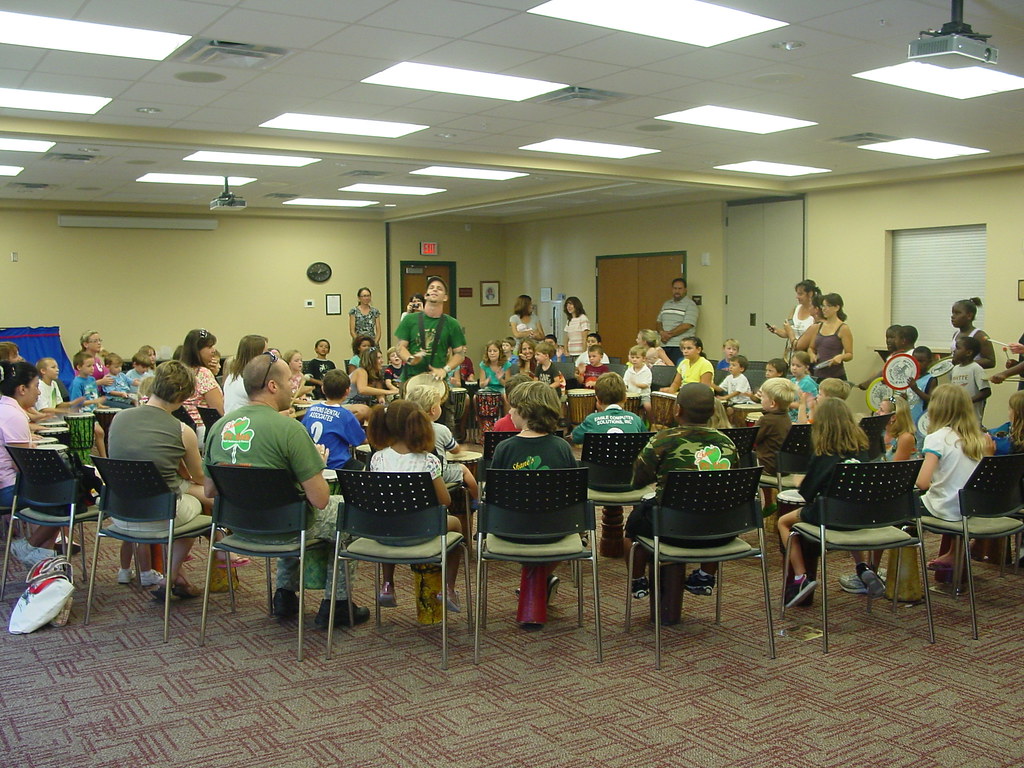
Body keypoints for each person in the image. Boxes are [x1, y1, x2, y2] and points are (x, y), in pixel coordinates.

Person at [204, 353, 369, 629]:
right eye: (289, 381)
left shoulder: (219, 427)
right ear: (272, 386)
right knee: (347, 511)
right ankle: (337, 604)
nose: (294, 386)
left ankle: (284, 595)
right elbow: (320, 500)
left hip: (238, 527)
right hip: (286, 528)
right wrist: (318, 465)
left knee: (287, 507)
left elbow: (210, 490)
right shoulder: (290, 430)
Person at [107, 360, 214, 599]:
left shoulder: (119, 418)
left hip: (118, 512)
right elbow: (199, 476)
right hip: (158, 516)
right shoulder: (182, 430)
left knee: (178, 501)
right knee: (197, 508)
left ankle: (179, 578)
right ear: (184, 395)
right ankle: (171, 577)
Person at [625, 383, 737, 600]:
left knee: (633, 529)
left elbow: (637, 480)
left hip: (668, 528)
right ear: (713, 411)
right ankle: (705, 576)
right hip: (719, 531)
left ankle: (637, 579)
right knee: (714, 506)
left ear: (677, 410)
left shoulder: (663, 440)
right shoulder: (727, 443)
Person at [490, 381, 577, 629]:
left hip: (510, 529)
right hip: (556, 529)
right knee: (549, 533)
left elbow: (493, 496)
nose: (510, 412)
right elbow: (573, 494)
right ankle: (541, 580)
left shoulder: (504, 448)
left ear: (525, 411)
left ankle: (533, 585)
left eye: (513, 407)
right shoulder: (562, 447)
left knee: (529, 527)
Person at [365, 399, 462, 612]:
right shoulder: (429, 461)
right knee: (456, 525)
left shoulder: (377, 459)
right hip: (422, 532)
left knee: (391, 518)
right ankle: (448, 588)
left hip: (385, 533)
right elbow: (445, 501)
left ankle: (388, 584)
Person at [776, 397, 873, 605]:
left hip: (829, 516)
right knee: (847, 510)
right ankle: (862, 567)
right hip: (861, 516)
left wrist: (800, 480)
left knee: (783, 522)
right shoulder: (862, 450)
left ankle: (801, 577)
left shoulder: (823, 454)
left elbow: (807, 494)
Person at [916, 384, 994, 572]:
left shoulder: (936, 438)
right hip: (971, 508)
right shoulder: (979, 438)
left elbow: (922, 483)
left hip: (945, 509)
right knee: (953, 491)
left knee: (898, 507)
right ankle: (954, 552)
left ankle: (882, 568)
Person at [3, 361, 62, 567]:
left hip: (7, 482)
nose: (38, 392)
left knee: (63, 490)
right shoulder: (14, 415)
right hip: (8, 487)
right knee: (68, 495)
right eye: (36, 386)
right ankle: (30, 546)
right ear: (22, 389)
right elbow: (23, 465)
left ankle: (42, 554)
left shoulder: (5, 408)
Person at [404, 373, 480, 512]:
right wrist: (461, 448)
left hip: (411, 471)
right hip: (439, 473)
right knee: (464, 470)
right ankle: (477, 499)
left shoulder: (404, 428)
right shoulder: (441, 429)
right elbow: (454, 450)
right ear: (433, 410)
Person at [395, 276, 467, 382]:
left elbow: (460, 354)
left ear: (445, 297)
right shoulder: (409, 319)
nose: (435, 290)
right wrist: (410, 359)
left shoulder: (452, 324)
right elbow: (400, 347)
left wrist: (445, 370)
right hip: (411, 379)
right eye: (431, 287)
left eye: (439, 288)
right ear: (426, 295)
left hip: (437, 380)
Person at [301, 369, 366, 470]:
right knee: (363, 467)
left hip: (312, 462)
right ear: (348, 391)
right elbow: (361, 440)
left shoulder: (311, 409)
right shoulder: (345, 415)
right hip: (336, 464)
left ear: (323, 389)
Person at [571, 372, 644, 443]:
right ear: (625, 399)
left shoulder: (591, 419)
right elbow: (646, 440)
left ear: (598, 400)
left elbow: (574, 437)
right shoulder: (636, 419)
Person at [180, 328, 224, 429]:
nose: (213, 350)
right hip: (204, 429)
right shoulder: (203, 373)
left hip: (185, 428)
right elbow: (219, 411)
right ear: (197, 350)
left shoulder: (181, 371)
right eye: (209, 347)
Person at [802, 293, 853, 381]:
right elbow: (811, 348)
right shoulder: (819, 326)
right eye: (823, 306)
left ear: (837, 307)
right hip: (818, 374)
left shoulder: (843, 328)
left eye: (828, 306)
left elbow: (849, 354)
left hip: (835, 376)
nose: (824, 309)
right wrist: (812, 354)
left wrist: (840, 357)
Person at [346, 347, 399, 423]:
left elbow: (379, 392)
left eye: (381, 357)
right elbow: (362, 389)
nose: (382, 361)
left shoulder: (377, 374)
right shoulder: (361, 371)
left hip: (365, 405)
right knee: (366, 412)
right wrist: (389, 392)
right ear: (370, 360)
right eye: (378, 358)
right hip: (348, 403)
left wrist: (381, 399)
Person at [767, 279, 821, 351]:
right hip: (792, 352)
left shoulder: (816, 313)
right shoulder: (795, 309)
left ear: (810, 294)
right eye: (797, 294)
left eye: (800, 294)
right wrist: (777, 331)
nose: (797, 297)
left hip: (806, 352)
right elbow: (788, 332)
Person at [223, 335, 269, 414]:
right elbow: (264, 412)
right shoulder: (251, 381)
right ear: (256, 355)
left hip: (232, 419)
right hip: (245, 420)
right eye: (265, 353)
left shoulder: (232, 376)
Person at [656, 278, 699, 364]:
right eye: (675, 288)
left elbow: (687, 325)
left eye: (680, 289)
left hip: (680, 346)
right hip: (664, 345)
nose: (677, 291)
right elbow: (658, 322)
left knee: (678, 369)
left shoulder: (691, 305)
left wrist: (668, 335)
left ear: (685, 290)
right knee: (664, 369)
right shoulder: (666, 304)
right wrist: (661, 332)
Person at [950, 335, 990, 425]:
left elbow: (986, 392)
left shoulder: (976, 368)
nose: (954, 351)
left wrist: (967, 401)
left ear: (968, 353)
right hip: (956, 416)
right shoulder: (955, 369)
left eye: (958, 348)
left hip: (971, 418)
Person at [950, 297, 995, 369]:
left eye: (957, 313)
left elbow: (991, 361)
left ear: (969, 316)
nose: (953, 316)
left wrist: (966, 363)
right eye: (953, 313)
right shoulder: (956, 334)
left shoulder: (980, 335)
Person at [717, 354, 753, 427]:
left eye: (733, 365)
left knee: (730, 411)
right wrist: (710, 384)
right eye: (730, 365)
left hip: (743, 403)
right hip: (733, 402)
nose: (730, 367)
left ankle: (732, 426)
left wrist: (725, 397)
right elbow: (720, 388)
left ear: (741, 369)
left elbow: (738, 392)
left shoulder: (742, 378)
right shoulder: (729, 377)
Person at [988, 391, 1024, 455]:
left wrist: (988, 455)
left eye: (1010, 409)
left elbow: (1013, 460)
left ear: (1016, 413)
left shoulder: (1018, 445)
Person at [789, 351, 819, 422]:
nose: (794, 368)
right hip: (792, 414)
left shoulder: (808, 383)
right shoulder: (792, 380)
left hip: (804, 416)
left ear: (806, 367)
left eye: (798, 366)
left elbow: (807, 405)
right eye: (792, 365)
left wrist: (785, 404)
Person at [624, 344, 653, 415]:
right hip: (631, 394)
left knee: (648, 406)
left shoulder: (646, 371)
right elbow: (624, 383)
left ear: (644, 359)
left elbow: (646, 385)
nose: (634, 359)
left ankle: (651, 420)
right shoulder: (629, 370)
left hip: (643, 395)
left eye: (637, 357)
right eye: (632, 357)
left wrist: (636, 384)